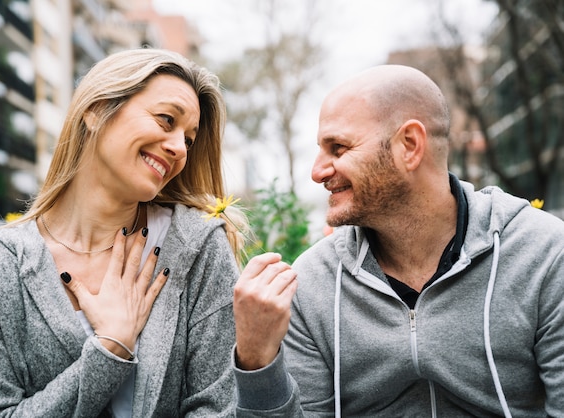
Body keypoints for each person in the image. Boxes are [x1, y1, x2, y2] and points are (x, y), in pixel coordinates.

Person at [232, 65, 564, 416]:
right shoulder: (313, 281)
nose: (317, 171)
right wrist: (256, 362)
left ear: (409, 146)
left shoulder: (543, 254)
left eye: (338, 148)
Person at [0, 48, 246, 417]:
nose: (178, 149)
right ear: (97, 109)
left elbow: (219, 408)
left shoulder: (198, 247)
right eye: (166, 120)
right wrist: (109, 350)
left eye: (188, 139)